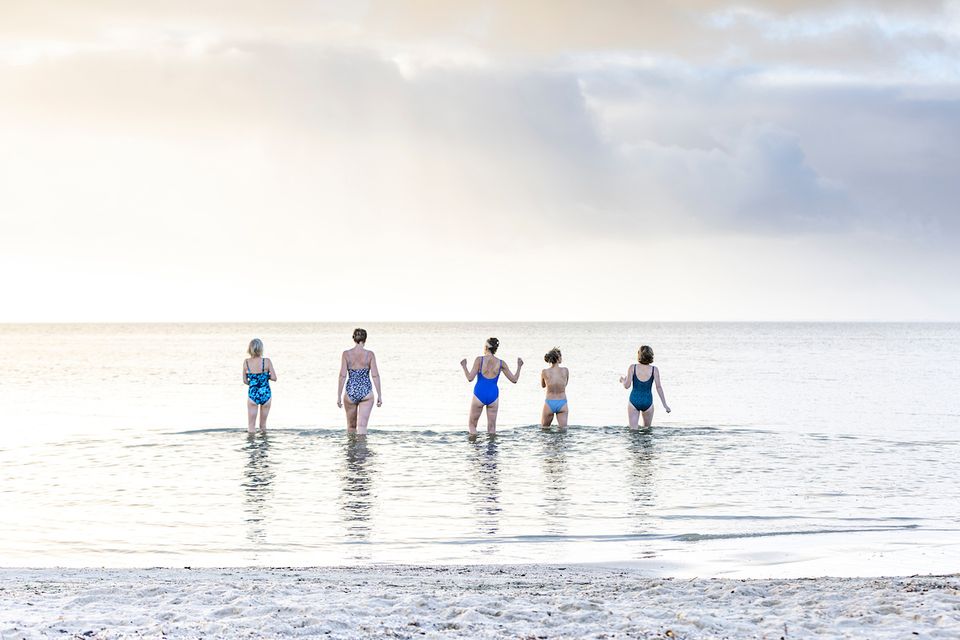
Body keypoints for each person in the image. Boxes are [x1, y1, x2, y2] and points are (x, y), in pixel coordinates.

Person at [460, 337, 523, 436]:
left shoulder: (479, 360)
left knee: (472, 425)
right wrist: (519, 366)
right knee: (492, 428)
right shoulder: (501, 363)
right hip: (493, 395)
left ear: (485, 347)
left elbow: (470, 378)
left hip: (479, 394)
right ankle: (492, 446)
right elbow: (514, 380)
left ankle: (475, 445)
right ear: (495, 349)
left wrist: (464, 366)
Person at [337, 328, 382, 435]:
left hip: (350, 392)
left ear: (353, 338)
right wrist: (379, 395)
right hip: (366, 392)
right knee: (362, 427)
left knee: (351, 427)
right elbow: (375, 375)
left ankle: (351, 446)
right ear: (365, 339)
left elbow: (342, 376)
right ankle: (362, 445)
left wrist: (339, 396)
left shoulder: (346, 354)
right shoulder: (370, 355)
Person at [620, 345, 670, 429]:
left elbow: (627, 386)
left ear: (639, 355)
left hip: (634, 401)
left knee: (633, 431)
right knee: (647, 430)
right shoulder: (654, 369)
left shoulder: (632, 367)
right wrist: (665, 405)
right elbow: (659, 387)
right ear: (651, 355)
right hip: (648, 402)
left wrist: (622, 380)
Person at [243, 338, 277, 434]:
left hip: (253, 394)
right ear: (261, 349)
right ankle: (264, 442)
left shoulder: (246, 362)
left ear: (250, 349)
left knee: (251, 426)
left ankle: (251, 442)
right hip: (266, 394)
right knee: (263, 425)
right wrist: (265, 377)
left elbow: (245, 381)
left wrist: (253, 383)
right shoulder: (267, 361)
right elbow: (274, 378)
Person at [540, 347, 569, 429]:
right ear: (558, 358)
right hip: (562, 402)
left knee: (544, 429)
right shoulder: (565, 370)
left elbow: (543, 386)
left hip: (549, 402)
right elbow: (565, 384)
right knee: (563, 430)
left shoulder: (544, 372)